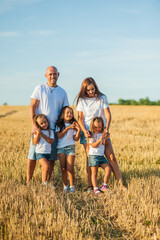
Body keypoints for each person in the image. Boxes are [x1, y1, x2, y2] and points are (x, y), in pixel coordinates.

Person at [76, 77, 125, 191]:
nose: (91, 92)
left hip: (102, 132)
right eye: (88, 90)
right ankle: (91, 186)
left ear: (95, 87)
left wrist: (106, 128)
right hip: (88, 134)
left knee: (111, 157)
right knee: (90, 160)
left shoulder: (102, 98)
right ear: (84, 90)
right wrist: (84, 131)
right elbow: (80, 118)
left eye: (92, 89)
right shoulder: (82, 100)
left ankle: (121, 184)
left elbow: (107, 114)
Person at [27, 66, 69, 184]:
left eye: (54, 74)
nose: (52, 76)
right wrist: (34, 125)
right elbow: (32, 106)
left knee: (51, 158)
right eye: (50, 74)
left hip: (54, 130)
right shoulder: (39, 88)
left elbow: (65, 110)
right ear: (45, 75)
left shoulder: (62, 92)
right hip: (39, 129)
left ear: (58, 75)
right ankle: (28, 181)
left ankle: (46, 182)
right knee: (33, 155)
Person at [55, 106, 81, 193]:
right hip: (61, 148)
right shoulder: (59, 125)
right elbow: (59, 136)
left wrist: (79, 130)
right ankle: (65, 186)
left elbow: (76, 139)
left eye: (71, 113)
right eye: (67, 112)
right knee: (63, 168)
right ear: (62, 114)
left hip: (70, 147)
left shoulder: (74, 124)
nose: (69, 114)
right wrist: (67, 128)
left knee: (70, 168)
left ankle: (72, 186)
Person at [88, 117, 111, 195]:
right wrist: (100, 140)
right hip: (93, 156)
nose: (97, 129)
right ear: (92, 126)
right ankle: (95, 188)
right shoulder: (91, 134)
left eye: (99, 127)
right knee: (94, 173)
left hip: (101, 156)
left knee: (108, 169)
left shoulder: (102, 133)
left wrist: (106, 138)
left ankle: (104, 185)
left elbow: (104, 143)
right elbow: (93, 145)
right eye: (95, 127)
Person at [32, 114, 54, 185]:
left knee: (47, 168)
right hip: (40, 153)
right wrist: (38, 134)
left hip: (48, 153)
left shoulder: (50, 131)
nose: (44, 124)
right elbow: (35, 142)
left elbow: (51, 141)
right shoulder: (36, 132)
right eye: (41, 123)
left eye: (45, 122)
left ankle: (46, 181)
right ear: (38, 125)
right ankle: (44, 183)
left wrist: (43, 135)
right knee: (46, 166)